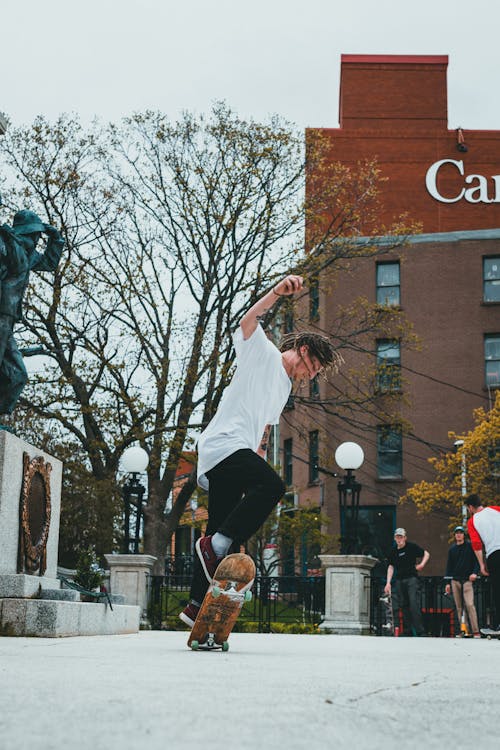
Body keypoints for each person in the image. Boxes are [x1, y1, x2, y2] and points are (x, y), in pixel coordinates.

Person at [179, 274, 343, 626]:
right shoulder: (262, 353)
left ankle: (195, 607)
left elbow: (264, 427)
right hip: (223, 444)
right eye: (311, 368)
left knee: (219, 529)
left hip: (237, 454)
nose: (309, 376)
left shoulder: (284, 386)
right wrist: (275, 294)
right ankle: (219, 545)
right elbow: (247, 321)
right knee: (273, 488)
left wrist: (258, 454)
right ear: (302, 351)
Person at [0, 210, 64, 415]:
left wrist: (56, 239)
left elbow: (49, 263)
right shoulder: (6, 246)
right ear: (27, 233)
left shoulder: (29, 255)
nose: (38, 239)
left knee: (18, 374)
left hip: (9, 318)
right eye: (36, 234)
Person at [384, 527, 430, 636]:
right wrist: (388, 582)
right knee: (403, 605)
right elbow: (391, 567)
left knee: (414, 604)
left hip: (412, 579)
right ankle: (408, 630)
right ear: (395, 538)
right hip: (399, 580)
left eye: (401, 537)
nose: (399, 539)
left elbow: (426, 554)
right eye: (397, 537)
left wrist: (422, 564)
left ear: (405, 538)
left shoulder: (411, 547)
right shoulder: (393, 551)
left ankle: (420, 631)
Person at [465, 493, 500, 635]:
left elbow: (477, 544)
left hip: (494, 554)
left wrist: (481, 565)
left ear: (471, 507)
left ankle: (498, 624)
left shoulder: (473, 521)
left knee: (497, 589)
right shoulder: (496, 509)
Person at [444, 525, 480, 637]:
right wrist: (447, 583)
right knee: (459, 607)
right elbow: (448, 566)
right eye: (457, 533)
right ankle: (463, 630)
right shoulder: (452, 549)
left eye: (461, 532)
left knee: (469, 604)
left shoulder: (469, 546)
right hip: (455, 580)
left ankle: (475, 631)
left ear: (464, 535)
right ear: (455, 535)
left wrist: (475, 573)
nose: (459, 534)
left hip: (467, 580)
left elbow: (477, 561)